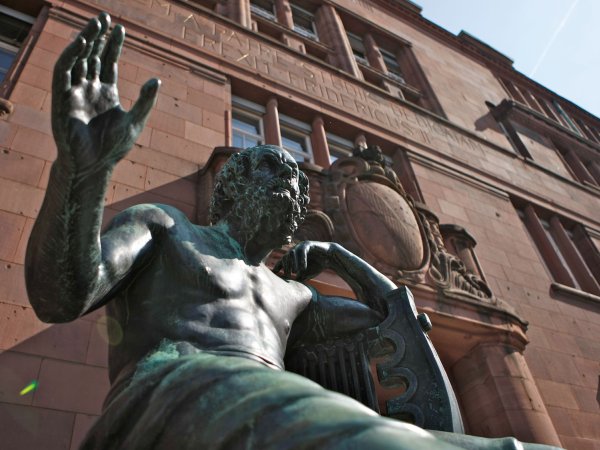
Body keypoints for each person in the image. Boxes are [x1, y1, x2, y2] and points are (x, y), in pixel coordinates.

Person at [25, 13, 560, 450]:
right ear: (232, 186)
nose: (292, 185)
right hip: (170, 395)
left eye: (299, 183)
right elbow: (63, 295)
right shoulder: (165, 228)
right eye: (274, 169)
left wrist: (339, 255)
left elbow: (389, 314)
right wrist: (83, 176)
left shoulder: (293, 297)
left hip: (270, 408)